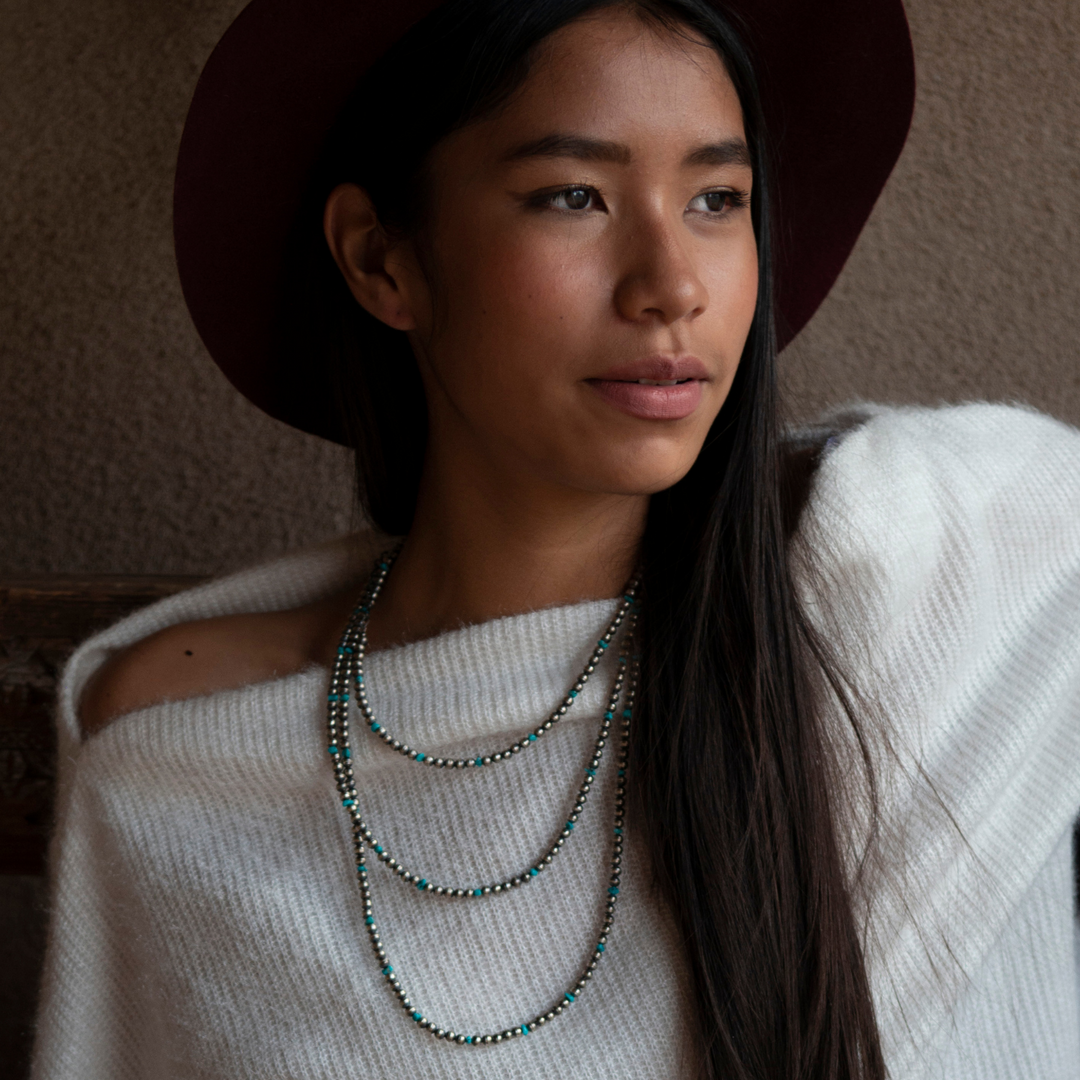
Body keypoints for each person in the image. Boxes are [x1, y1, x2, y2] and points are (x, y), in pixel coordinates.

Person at [31, 0, 1080, 1077]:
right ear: (380, 258)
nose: (672, 285)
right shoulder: (190, 752)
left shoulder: (938, 574)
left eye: (718, 199)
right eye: (574, 196)